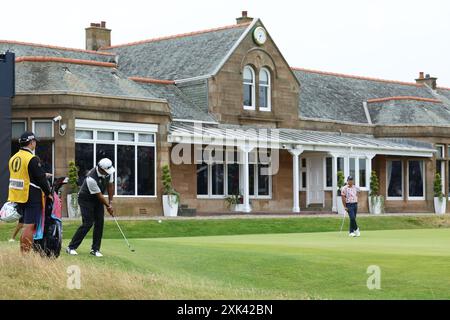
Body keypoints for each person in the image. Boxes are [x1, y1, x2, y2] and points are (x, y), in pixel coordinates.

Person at [7, 132, 52, 253]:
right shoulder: (31, 158)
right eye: (35, 142)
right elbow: (40, 179)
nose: (35, 144)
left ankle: (23, 253)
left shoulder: (14, 157)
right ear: (31, 142)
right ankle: (25, 256)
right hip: (30, 195)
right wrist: (48, 193)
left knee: (24, 224)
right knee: (29, 226)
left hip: (17, 195)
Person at [66, 158, 115, 257]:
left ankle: (95, 249)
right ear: (101, 169)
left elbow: (110, 186)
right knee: (88, 223)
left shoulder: (109, 173)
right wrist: (108, 207)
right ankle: (71, 247)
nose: (108, 172)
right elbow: (100, 195)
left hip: (97, 200)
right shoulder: (91, 178)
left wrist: (111, 202)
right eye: (106, 171)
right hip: (86, 199)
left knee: (100, 223)